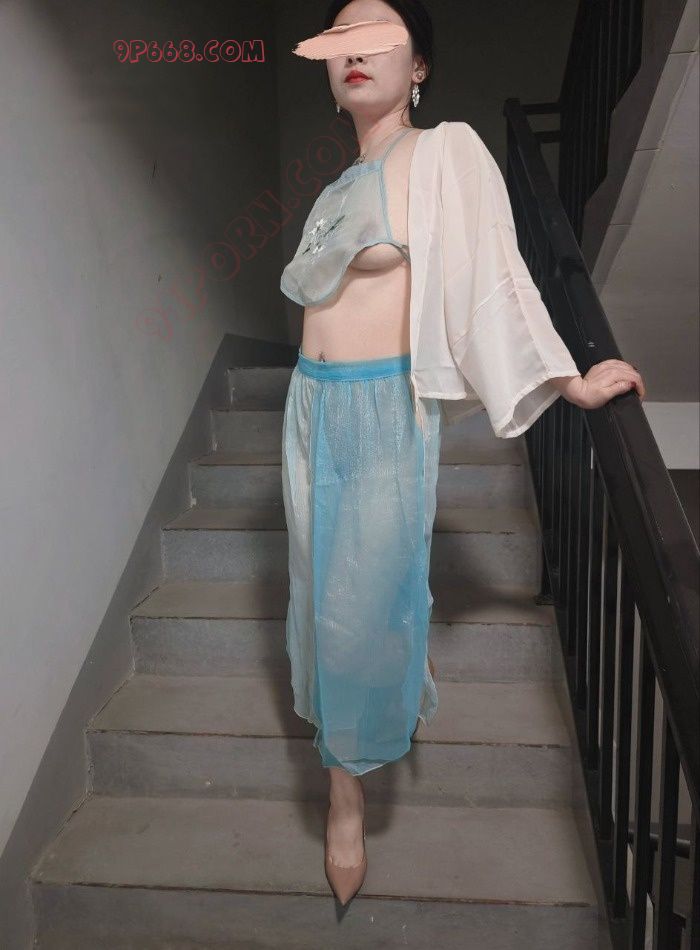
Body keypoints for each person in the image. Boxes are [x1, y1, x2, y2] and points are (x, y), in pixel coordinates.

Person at [279, 0, 646, 906]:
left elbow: (500, 275)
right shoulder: (336, 189)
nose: (356, 53)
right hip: (308, 406)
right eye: (341, 41)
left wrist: (570, 381)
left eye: (378, 37)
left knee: (359, 605)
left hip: (380, 411)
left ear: (419, 68)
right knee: (318, 588)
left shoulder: (445, 153)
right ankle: (375, 708)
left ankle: (344, 800)